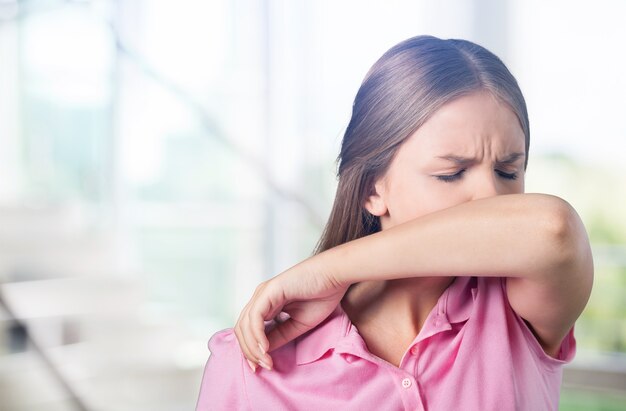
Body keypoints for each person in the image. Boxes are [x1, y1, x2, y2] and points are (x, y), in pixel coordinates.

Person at [196, 35, 593, 411]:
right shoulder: (250, 364)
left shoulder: (518, 308)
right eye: (451, 173)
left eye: (508, 171)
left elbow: (553, 230)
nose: (492, 199)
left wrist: (329, 269)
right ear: (372, 189)